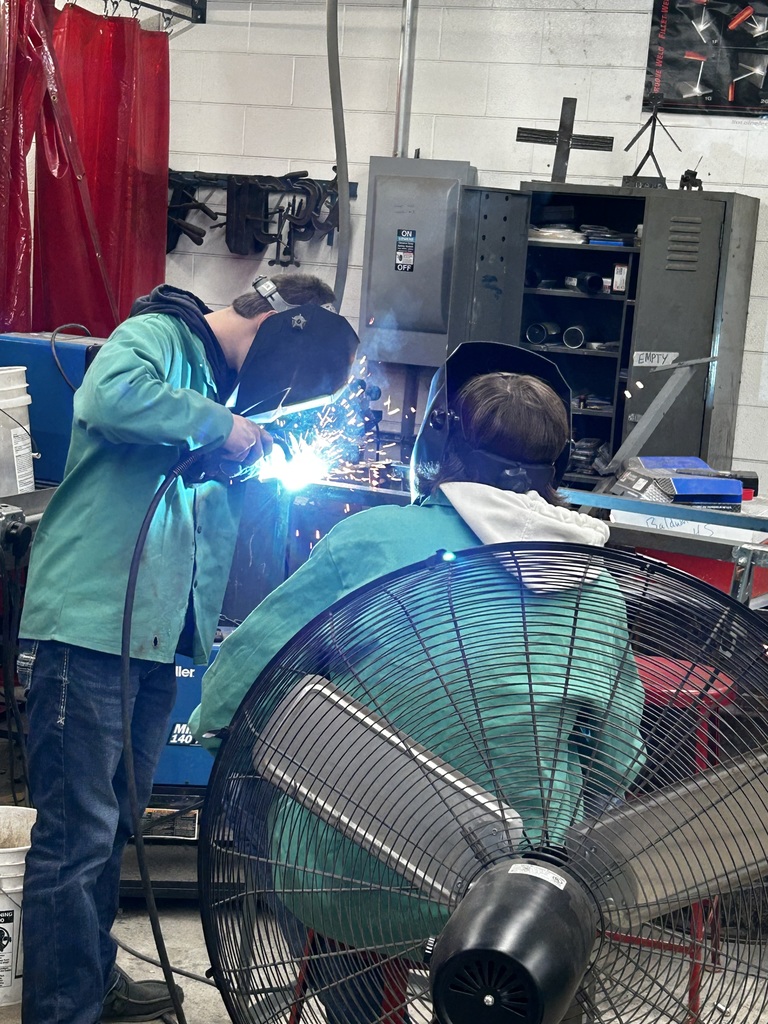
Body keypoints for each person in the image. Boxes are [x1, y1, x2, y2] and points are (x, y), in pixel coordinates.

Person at [189, 342, 646, 1023]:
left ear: (436, 446)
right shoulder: (597, 586)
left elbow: (231, 694)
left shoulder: (373, 541)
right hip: (518, 904)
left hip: (357, 881)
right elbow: (616, 764)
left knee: (257, 770)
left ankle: (356, 1005)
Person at [16, 272, 358, 1024]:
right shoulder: (160, 338)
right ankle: (60, 1010)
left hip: (150, 634)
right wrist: (223, 429)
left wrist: (235, 456)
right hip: (89, 626)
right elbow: (105, 397)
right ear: (279, 328)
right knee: (75, 839)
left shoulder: (218, 393)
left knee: (113, 831)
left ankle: (91, 979)